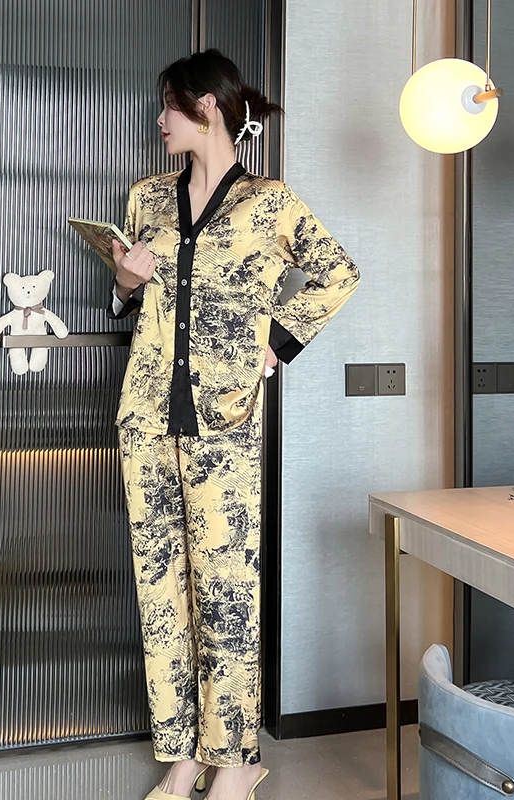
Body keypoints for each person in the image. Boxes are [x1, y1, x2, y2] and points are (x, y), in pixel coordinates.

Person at [107, 49, 360, 800]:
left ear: (207, 107)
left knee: (224, 594)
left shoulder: (269, 203)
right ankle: (182, 756)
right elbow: (131, 298)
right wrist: (124, 278)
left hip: (225, 424)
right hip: (146, 417)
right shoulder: (148, 198)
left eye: (170, 104)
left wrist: (272, 345)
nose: (160, 119)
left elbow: (338, 273)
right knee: (161, 593)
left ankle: (237, 759)